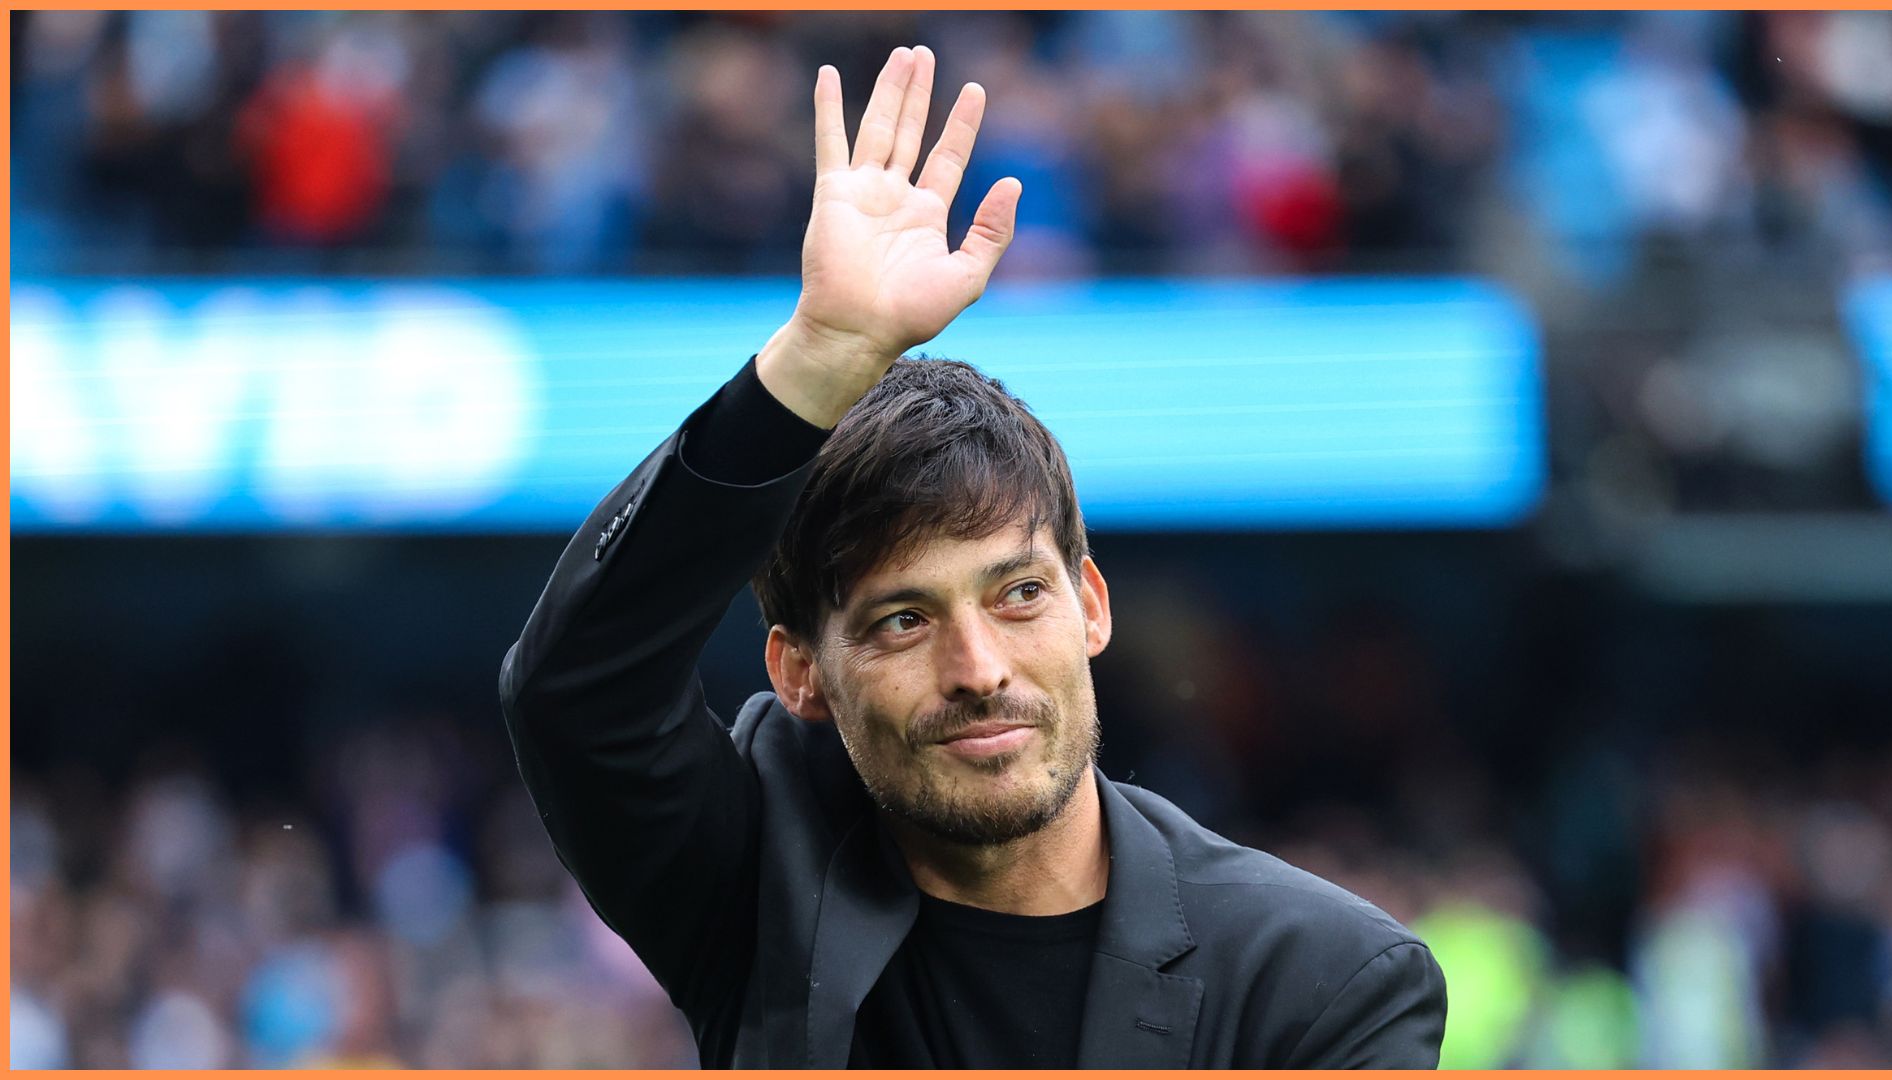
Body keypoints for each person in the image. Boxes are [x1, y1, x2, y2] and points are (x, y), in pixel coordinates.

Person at [500, 45, 1445, 1068]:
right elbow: (577, 693)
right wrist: (814, 363)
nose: (980, 669)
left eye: (1020, 594)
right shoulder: (756, 876)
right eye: (903, 620)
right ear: (800, 673)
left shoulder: (1323, 979)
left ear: (1091, 604)